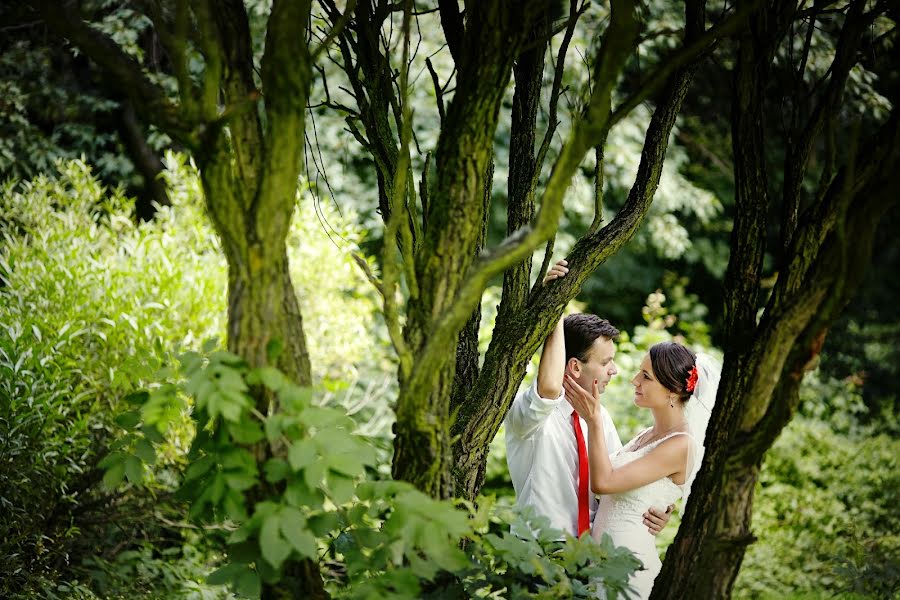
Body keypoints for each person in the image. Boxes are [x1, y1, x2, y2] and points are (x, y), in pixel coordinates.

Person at [504, 260, 672, 541]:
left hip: (593, 550)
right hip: (540, 550)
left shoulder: (598, 416)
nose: (615, 370)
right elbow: (548, 387)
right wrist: (553, 306)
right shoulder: (530, 413)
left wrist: (658, 508)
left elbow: (617, 479)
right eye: (606, 362)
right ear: (574, 367)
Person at [564, 340, 721, 599]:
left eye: (646, 376)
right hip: (601, 564)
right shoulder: (646, 435)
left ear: (672, 390)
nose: (634, 380)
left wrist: (594, 421)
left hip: (629, 571)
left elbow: (603, 483)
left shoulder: (681, 444)